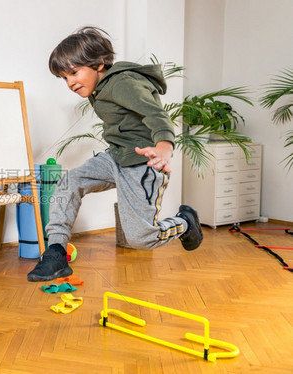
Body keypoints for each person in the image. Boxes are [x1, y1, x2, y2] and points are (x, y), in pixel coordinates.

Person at [27, 26, 203, 282]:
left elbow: (155, 114)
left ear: (99, 64)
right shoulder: (98, 87)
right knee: (70, 181)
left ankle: (185, 222)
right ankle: (55, 252)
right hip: (116, 157)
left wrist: (164, 145)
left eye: (74, 73)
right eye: (64, 78)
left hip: (143, 164)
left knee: (141, 239)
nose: (70, 83)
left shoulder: (124, 82)